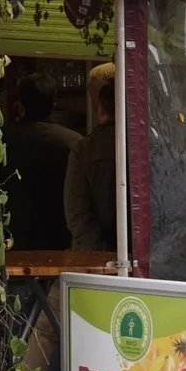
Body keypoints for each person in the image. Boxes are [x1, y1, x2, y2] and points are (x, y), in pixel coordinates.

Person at [3, 74, 81, 250]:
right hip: (60, 237)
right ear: (54, 103)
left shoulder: (2, 141)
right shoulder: (73, 143)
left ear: (20, 105)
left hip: (12, 237)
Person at [65, 64, 120, 253]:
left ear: (101, 107)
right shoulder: (155, 146)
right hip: (152, 268)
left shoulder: (85, 149)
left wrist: (102, 259)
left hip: (99, 265)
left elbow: (79, 217)